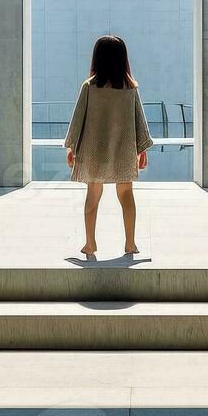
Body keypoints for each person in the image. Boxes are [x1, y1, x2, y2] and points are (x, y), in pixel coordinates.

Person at [63, 35, 154, 257]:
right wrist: (141, 150)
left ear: (97, 58)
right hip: (123, 150)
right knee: (126, 195)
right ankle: (130, 244)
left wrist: (71, 147)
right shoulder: (130, 88)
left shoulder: (89, 86)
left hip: (94, 151)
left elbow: (78, 119)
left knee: (93, 195)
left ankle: (90, 244)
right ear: (123, 59)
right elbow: (139, 120)